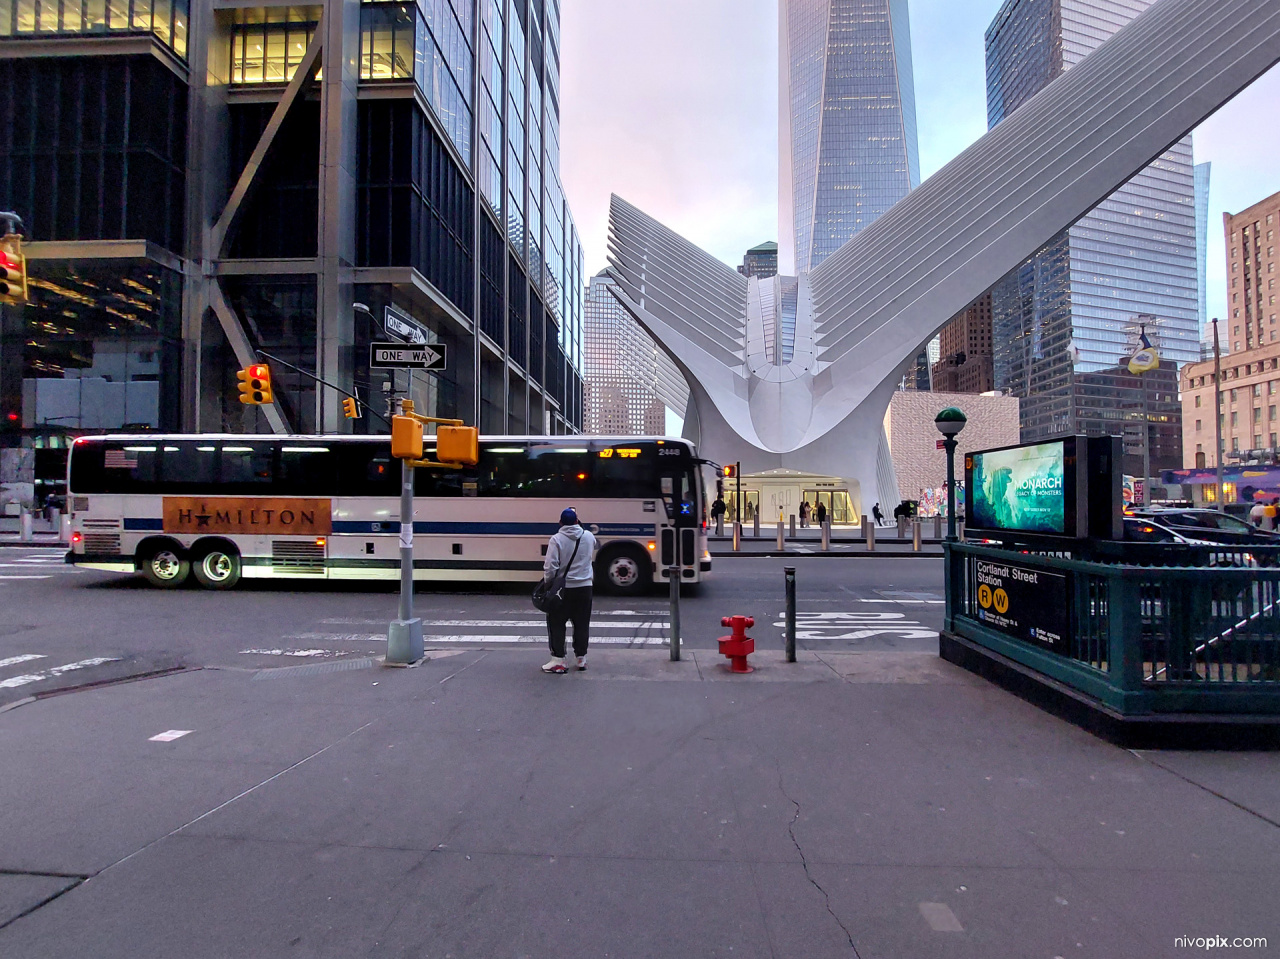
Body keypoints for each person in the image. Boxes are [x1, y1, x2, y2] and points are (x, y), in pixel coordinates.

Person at [541, 508, 598, 674]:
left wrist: (548, 585)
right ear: (577, 521)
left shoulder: (556, 539)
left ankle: (558, 660)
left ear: (560, 523)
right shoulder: (589, 536)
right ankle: (581, 658)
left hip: (563, 590)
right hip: (585, 588)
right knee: (581, 624)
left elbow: (550, 566)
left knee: (557, 623)